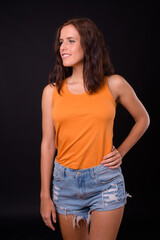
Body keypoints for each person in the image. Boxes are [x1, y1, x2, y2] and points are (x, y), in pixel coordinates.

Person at [40, 17, 150, 240]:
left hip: (105, 182)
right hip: (65, 184)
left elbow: (143, 119)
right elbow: (48, 144)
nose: (63, 47)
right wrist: (45, 194)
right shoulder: (51, 91)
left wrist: (121, 151)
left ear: (88, 44)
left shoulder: (114, 84)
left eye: (71, 40)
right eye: (61, 42)